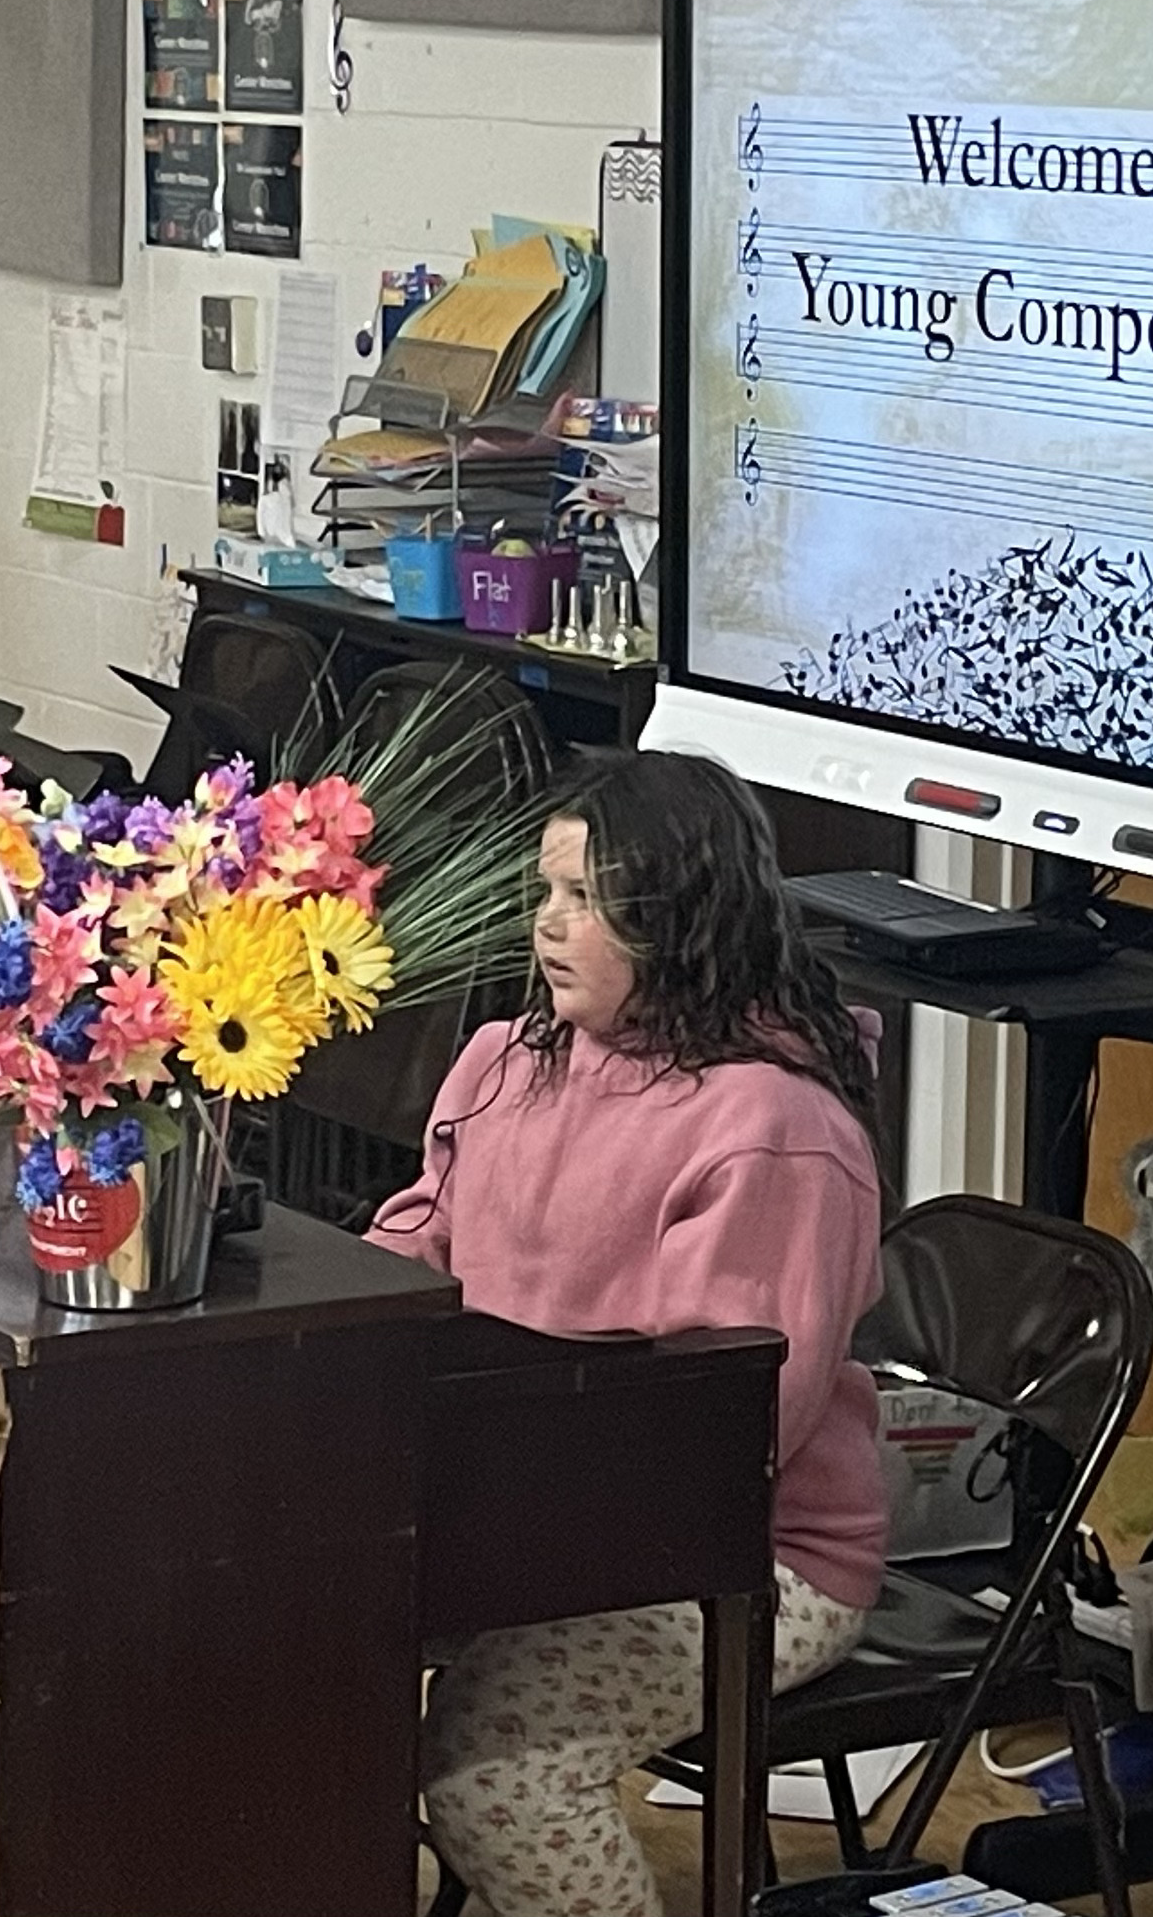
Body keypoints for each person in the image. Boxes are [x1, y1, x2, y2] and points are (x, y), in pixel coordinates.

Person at [368, 750, 889, 1917]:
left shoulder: (772, 1128)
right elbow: (423, 1231)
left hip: (743, 1554)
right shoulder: (509, 1061)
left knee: (497, 1770)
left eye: (590, 903)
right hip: (524, 1509)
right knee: (284, 1658)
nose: (551, 927)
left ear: (684, 921)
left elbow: (722, 1424)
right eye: (545, 893)